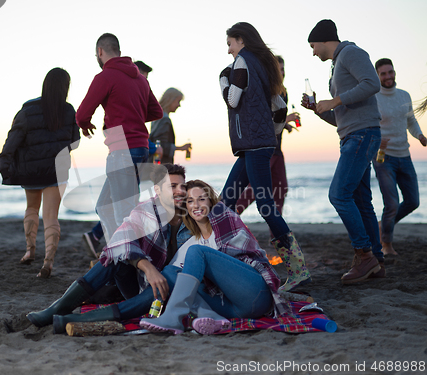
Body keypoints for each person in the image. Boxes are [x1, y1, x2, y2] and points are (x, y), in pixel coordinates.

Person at [27, 164, 193, 333]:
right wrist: (148, 268)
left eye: (183, 186)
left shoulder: (193, 216)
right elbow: (121, 239)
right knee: (116, 257)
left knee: (168, 281)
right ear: (157, 190)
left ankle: (76, 319)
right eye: (172, 186)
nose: (180, 191)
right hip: (142, 284)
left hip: (168, 290)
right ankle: (56, 310)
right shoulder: (145, 211)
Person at [218, 22, 311, 292]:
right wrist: (272, 136)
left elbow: (233, 99)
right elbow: (280, 107)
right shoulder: (262, 65)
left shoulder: (242, 62)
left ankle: (298, 269)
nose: (228, 50)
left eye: (230, 44)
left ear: (241, 41)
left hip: (253, 146)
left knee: (265, 207)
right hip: (256, 146)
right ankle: (220, 255)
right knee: (225, 202)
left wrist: (223, 80)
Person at [140, 180, 285, 335]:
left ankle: (173, 317)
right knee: (169, 271)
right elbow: (176, 278)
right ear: (186, 207)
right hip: (230, 309)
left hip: (255, 294)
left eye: (201, 199)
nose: (196, 205)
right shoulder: (191, 243)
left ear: (211, 202)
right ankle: (208, 314)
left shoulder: (226, 220)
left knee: (197, 252)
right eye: (190, 201)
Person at [301, 19, 384, 283]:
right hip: (352, 134)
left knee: (338, 195)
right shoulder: (336, 68)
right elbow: (341, 117)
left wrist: (334, 100)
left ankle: (364, 254)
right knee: (360, 201)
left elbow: (372, 83)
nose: (313, 51)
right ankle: (376, 260)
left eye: (313, 45)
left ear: (324, 40)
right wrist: (319, 109)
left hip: (362, 135)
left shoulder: (351, 53)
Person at [76, 33, 163, 242]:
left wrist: (85, 125)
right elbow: (156, 112)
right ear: (120, 52)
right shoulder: (141, 80)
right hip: (140, 148)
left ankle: (130, 259)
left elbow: (81, 115)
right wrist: (133, 115)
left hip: (122, 150)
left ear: (100, 52)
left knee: (123, 214)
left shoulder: (105, 77)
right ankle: (116, 253)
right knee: (104, 208)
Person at [0, 68, 80, 279]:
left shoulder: (28, 110)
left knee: (32, 208)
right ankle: (48, 263)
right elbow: (75, 141)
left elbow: (13, 138)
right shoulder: (69, 110)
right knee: (51, 216)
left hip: (32, 170)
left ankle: (29, 251)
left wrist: (4, 161)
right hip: (57, 170)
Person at [372, 58, 426, 256]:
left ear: (394, 72)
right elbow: (369, 124)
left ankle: (384, 224)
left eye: (390, 72)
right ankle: (386, 244)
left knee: (413, 202)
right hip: (383, 157)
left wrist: (419, 135)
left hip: (405, 155)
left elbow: (411, 120)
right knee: (392, 204)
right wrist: (378, 140)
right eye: (383, 74)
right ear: (377, 76)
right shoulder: (374, 97)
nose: (388, 77)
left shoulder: (404, 95)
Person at [235, 55, 301, 217]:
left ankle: (276, 234)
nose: (282, 72)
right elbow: (262, 119)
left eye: (283, 69)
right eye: (278, 69)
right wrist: (287, 118)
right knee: (252, 190)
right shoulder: (264, 89)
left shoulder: (282, 91)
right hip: (263, 148)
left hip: (277, 148)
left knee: (281, 189)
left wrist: (285, 125)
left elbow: (274, 119)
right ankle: (229, 218)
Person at [149, 88, 192, 164]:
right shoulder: (164, 120)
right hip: (161, 165)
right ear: (170, 100)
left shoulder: (157, 117)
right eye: (178, 101)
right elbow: (160, 145)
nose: (179, 105)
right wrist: (181, 148)